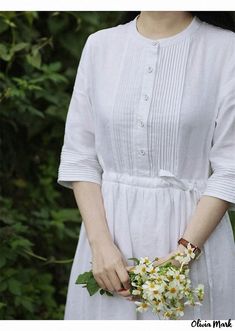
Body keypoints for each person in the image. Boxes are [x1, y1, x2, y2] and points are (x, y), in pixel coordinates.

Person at [57, 11, 235, 320]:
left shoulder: (226, 49)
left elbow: (230, 166)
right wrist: (100, 246)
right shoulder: (100, 46)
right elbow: (79, 156)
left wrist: (183, 254)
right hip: (106, 246)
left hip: (195, 238)